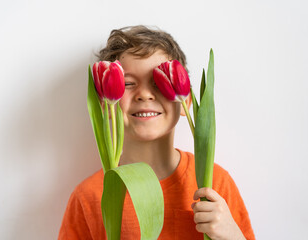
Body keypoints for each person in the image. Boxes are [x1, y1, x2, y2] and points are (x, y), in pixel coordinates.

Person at [58, 25, 255, 240]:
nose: (144, 94)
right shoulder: (90, 195)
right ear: (105, 104)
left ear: (186, 100)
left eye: (159, 82)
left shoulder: (214, 183)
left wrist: (232, 236)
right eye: (128, 83)